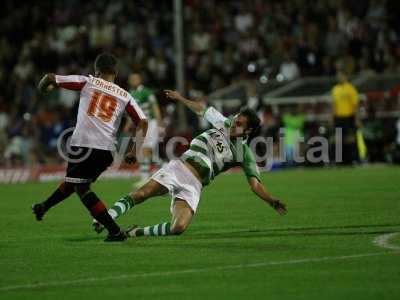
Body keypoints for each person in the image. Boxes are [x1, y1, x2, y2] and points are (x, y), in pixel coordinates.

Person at [93, 90, 287, 237]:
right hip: (179, 169)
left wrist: (271, 200)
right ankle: (105, 219)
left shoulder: (243, 153)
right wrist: (180, 98)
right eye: (236, 119)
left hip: (195, 186)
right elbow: (202, 109)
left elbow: (255, 184)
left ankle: (134, 233)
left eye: (239, 123)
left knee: (178, 227)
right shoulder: (223, 122)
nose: (234, 123)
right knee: (142, 193)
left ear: (248, 131)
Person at [32, 53, 148, 242]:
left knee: (82, 188)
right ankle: (43, 207)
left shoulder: (88, 82)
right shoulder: (125, 95)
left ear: (97, 71)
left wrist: (43, 88)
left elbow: (50, 78)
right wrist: (134, 149)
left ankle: (115, 231)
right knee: (76, 181)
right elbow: (142, 122)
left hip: (84, 145)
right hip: (106, 150)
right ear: (116, 72)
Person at [127, 73, 163, 187]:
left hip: (151, 123)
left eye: (136, 78)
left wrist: (159, 124)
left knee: (146, 150)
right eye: (132, 78)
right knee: (147, 153)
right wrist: (128, 124)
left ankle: (144, 179)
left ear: (140, 80)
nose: (134, 80)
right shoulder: (130, 94)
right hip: (141, 126)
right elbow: (131, 112)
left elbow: (155, 107)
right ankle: (166, 167)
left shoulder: (147, 92)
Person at [331, 70, 360, 164]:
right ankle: (339, 161)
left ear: (345, 77)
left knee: (350, 139)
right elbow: (334, 105)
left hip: (349, 117)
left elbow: (355, 105)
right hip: (338, 118)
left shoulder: (351, 88)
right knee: (338, 139)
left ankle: (351, 160)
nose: (339, 78)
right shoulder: (335, 89)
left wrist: (357, 119)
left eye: (340, 76)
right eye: (338, 76)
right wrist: (332, 118)